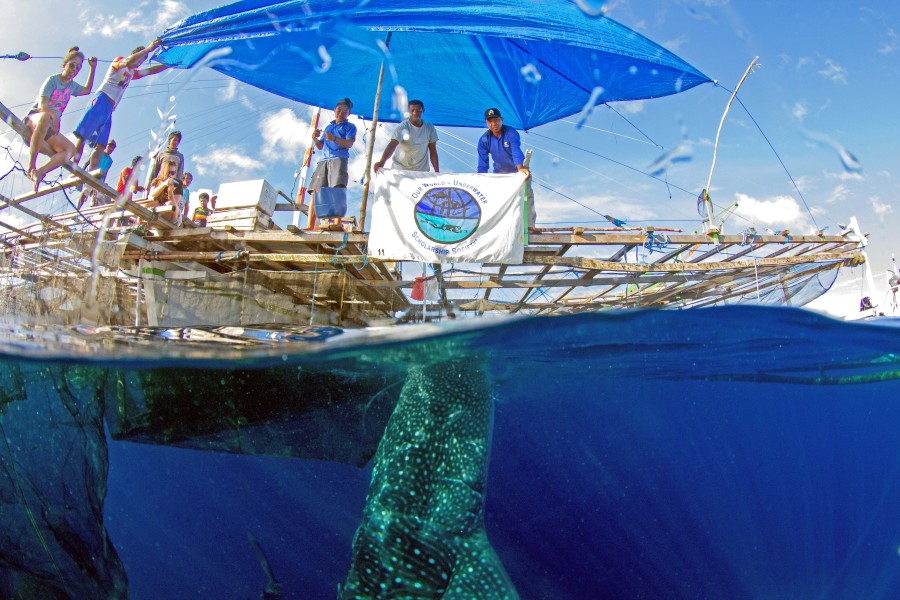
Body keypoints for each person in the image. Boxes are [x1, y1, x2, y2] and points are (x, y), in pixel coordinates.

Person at [73, 39, 167, 170]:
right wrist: (148, 49)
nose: (140, 62)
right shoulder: (119, 62)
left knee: (101, 143)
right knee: (84, 135)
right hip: (102, 99)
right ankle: (74, 164)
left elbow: (150, 71)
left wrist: (168, 65)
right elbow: (128, 61)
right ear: (134, 54)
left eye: (142, 61)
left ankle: (92, 172)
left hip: (110, 109)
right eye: (139, 58)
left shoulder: (133, 73)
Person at [24, 47, 97, 192]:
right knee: (45, 117)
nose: (74, 69)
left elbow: (87, 90)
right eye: (72, 65)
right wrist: (54, 118)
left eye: (78, 67)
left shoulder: (72, 86)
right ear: (64, 65)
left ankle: (40, 172)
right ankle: (31, 165)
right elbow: (43, 106)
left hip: (49, 129)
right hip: (36, 119)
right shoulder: (52, 80)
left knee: (70, 150)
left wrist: (92, 69)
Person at [477, 107, 536, 229]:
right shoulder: (484, 140)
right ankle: (502, 228)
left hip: (518, 170)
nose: (494, 124)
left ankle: (530, 226)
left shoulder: (511, 132)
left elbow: (516, 151)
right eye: (490, 121)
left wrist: (520, 170)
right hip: (500, 174)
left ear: (501, 119)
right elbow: (483, 163)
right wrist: (480, 179)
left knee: (527, 196)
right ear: (486, 123)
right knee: (500, 199)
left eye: (496, 120)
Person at [373, 99, 439, 173]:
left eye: (418, 110)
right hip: (400, 170)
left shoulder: (430, 128)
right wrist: (382, 162)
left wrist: (437, 172)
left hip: (421, 172)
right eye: (412, 110)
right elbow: (392, 145)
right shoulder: (402, 127)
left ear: (423, 111)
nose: (415, 113)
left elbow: (433, 151)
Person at [309, 98, 356, 191]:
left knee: (337, 189)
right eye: (338, 110)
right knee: (316, 191)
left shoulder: (350, 126)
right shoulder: (328, 127)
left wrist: (334, 138)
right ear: (334, 111)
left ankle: (334, 205)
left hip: (339, 159)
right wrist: (314, 138)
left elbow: (349, 143)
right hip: (323, 160)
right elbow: (320, 146)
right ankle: (314, 206)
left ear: (349, 114)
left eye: (345, 111)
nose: (341, 113)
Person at [77, 139, 116, 209]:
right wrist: (81, 172)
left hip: (100, 179)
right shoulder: (99, 152)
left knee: (97, 198)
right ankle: (77, 209)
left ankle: (92, 214)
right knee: (85, 192)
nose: (110, 149)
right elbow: (87, 162)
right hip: (92, 175)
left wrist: (103, 182)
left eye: (112, 148)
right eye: (109, 146)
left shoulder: (110, 161)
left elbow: (106, 172)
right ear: (106, 146)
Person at [148, 159, 182, 224]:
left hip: (171, 214)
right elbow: (151, 196)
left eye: (173, 173)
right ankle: (140, 224)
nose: (170, 175)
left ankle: (151, 222)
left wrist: (170, 191)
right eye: (168, 172)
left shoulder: (177, 183)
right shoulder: (156, 181)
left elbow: (174, 204)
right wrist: (163, 184)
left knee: (169, 204)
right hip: (157, 210)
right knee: (150, 202)